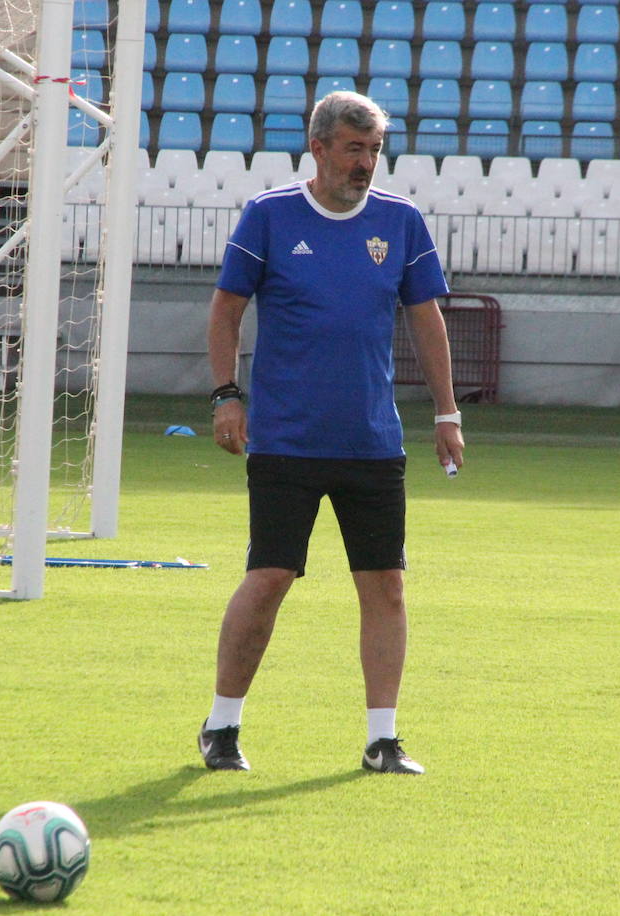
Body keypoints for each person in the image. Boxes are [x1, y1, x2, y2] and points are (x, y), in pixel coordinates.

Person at [199, 91, 464, 776]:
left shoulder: (400, 222)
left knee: (386, 586)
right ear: (317, 148)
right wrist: (227, 395)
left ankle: (383, 739)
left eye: (374, 150)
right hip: (287, 438)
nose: (366, 163)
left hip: (373, 442)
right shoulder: (269, 216)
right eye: (354, 148)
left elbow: (427, 320)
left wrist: (446, 412)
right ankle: (221, 726)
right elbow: (227, 308)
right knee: (270, 577)